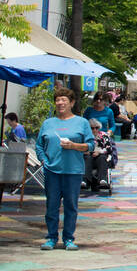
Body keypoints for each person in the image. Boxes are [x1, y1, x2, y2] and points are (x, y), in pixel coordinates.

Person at [35, 87, 94, 250]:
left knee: (71, 206)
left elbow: (90, 145)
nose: (60, 103)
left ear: (72, 103)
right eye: (58, 100)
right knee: (51, 206)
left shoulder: (82, 123)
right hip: (52, 171)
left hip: (73, 171)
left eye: (64, 100)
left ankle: (68, 238)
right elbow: (39, 145)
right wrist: (44, 161)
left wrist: (74, 146)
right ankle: (51, 237)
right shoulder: (48, 123)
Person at [84, 118, 117, 192]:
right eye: (92, 128)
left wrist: (99, 152)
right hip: (88, 157)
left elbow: (109, 149)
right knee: (87, 157)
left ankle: (102, 180)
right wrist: (88, 152)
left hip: (101, 157)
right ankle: (85, 181)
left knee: (102, 157)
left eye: (96, 128)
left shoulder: (104, 135)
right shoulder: (85, 136)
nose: (94, 130)